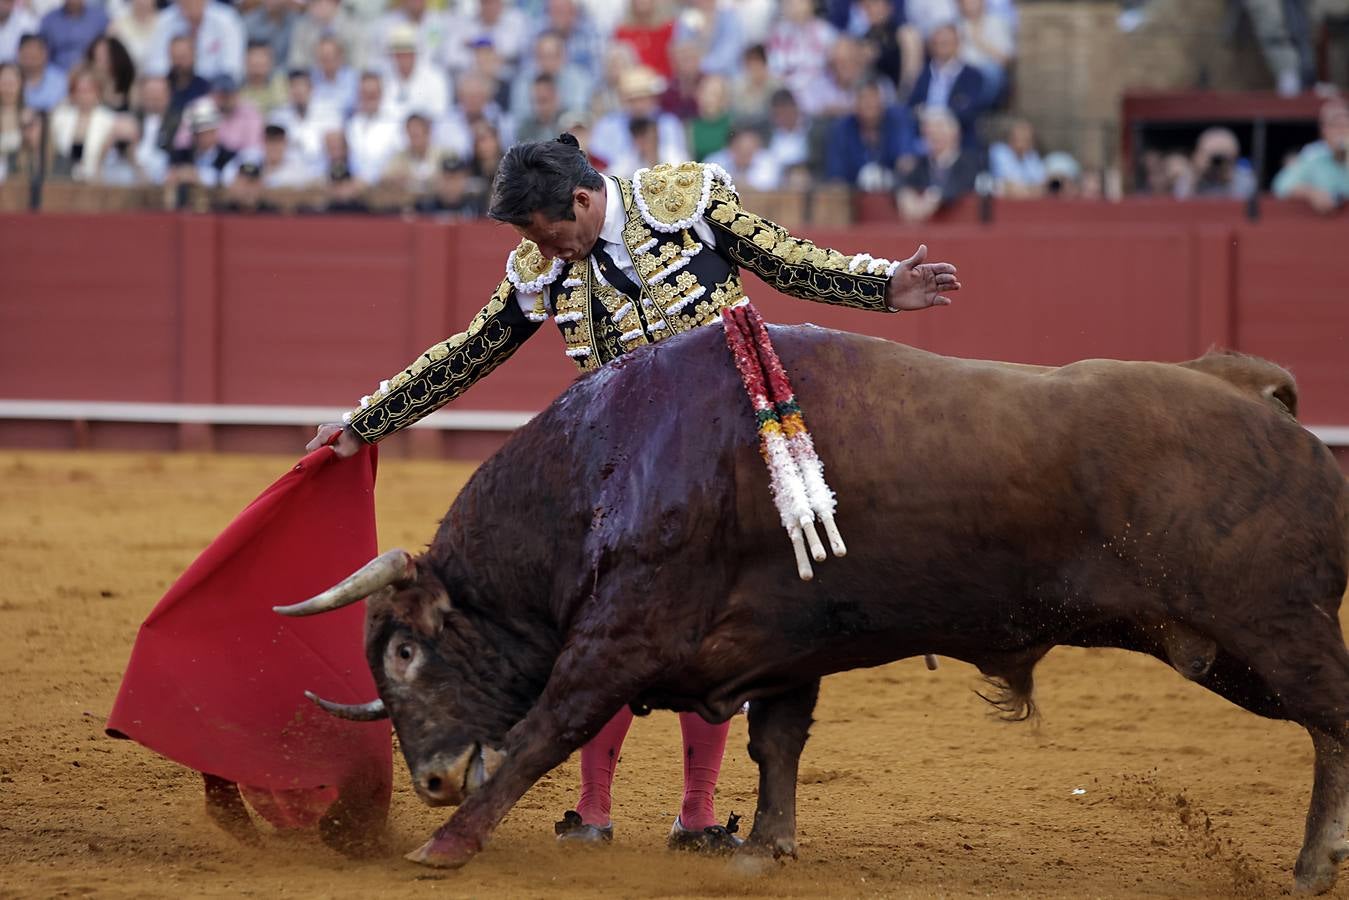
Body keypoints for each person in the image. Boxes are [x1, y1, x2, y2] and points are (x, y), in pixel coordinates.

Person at [306, 135, 960, 852]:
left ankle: (700, 812)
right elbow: (470, 352)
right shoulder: (536, 266)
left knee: (718, 633)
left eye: (547, 233)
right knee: (598, 634)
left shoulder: (686, 202)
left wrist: (879, 287)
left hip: (725, 470)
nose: (543, 250)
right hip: (621, 476)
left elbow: (786, 259)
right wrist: (366, 421)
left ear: (583, 201)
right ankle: (591, 811)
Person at [1272, 96, 1349, 213]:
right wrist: (1311, 193)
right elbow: (1281, 185)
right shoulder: (1313, 155)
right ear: (1324, 130)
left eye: (1345, 124)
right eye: (1335, 125)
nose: (1341, 130)